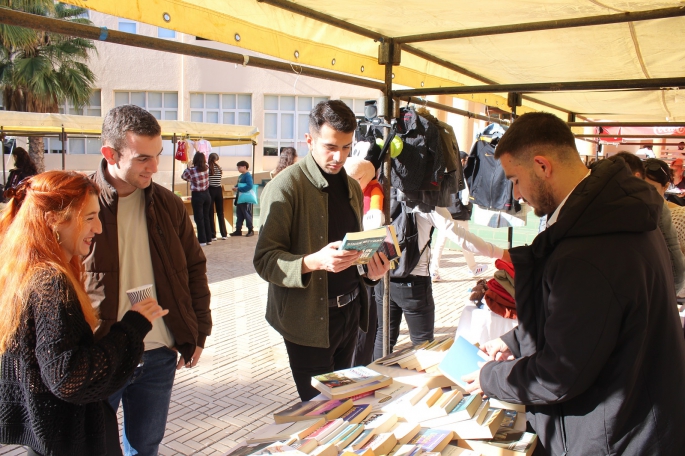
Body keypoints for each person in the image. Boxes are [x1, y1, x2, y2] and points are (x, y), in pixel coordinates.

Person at [462, 112, 685, 455]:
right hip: (640, 416)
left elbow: (559, 375)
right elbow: (586, 325)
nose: (516, 194)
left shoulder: (588, 249)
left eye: (516, 179)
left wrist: (489, 378)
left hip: (619, 434)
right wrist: (517, 342)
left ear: (542, 166)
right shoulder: (616, 212)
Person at [0, 171, 168, 456]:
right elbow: (69, 377)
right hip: (69, 441)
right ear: (54, 220)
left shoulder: (24, 270)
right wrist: (133, 326)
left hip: (50, 440)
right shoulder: (50, 283)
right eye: (89, 217)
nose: (99, 228)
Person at [84, 105, 212, 456]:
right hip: (100, 353)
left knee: (145, 448)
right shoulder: (76, 204)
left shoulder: (169, 205)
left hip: (158, 353)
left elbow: (194, 269)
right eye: (143, 158)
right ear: (109, 154)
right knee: (94, 445)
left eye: (157, 156)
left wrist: (199, 331)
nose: (154, 167)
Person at [254, 100, 391, 400]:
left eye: (346, 147)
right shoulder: (285, 187)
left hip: (351, 315)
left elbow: (352, 255)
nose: (339, 156)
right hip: (308, 325)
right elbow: (265, 261)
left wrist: (370, 272)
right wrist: (312, 261)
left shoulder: (353, 187)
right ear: (309, 140)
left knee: (341, 405)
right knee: (320, 411)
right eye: (330, 146)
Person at [430, 150, 488, 281]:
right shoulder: (460, 174)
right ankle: (473, 268)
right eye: (466, 160)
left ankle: (433, 271)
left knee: (440, 242)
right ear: (462, 160)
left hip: (445, 210)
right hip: (459, 211)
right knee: (465, 240)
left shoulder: (444, 172)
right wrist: (467, 207)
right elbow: (465, 196)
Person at [182, 152, 213, 246]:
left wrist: (188, 166)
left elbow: (184, 176)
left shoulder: (191, 170)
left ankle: (202, 240)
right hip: (207, 194)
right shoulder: (207, 167)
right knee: (206, 217)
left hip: (197, 195)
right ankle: (209, 239)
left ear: (195, 160)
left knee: (199, 218)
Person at [230, 160, 255, 237]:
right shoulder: (241, 176)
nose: (238, 169)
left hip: (245, 199)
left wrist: (239, 189)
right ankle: (238, 230)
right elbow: (239, 185)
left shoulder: (247, 175)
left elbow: (250, 186)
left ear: (244, 167)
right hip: (240, 198)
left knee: (247, 214)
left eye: (239, 167)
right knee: (239, 214)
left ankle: (250, 229)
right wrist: (235, 187)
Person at [208, 152, 228, 240]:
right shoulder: (220, 168)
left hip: (210, 190)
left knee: (210, 213)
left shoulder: (208, 168)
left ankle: (213, 235)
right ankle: (224, 234)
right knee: (220, 212)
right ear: (216, 159)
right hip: (219, 190)